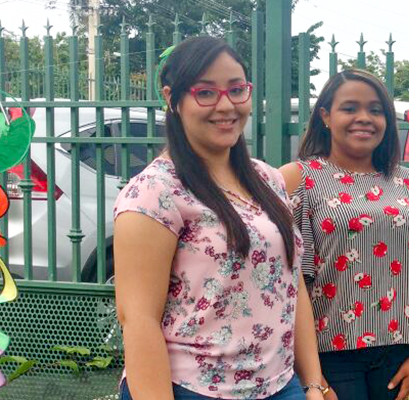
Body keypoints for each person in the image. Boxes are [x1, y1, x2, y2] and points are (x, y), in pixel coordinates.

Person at [114, 36, 324, 400]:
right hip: (192, 388)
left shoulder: (267, 179)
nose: (225, 105)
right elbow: (139, 321)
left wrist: (313, 383)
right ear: (172, 99)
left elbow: (292, 284)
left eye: (236, 89)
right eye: (206, 92)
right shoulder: (154, 192)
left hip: (278, 384)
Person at [279, 69, 409, 400]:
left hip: (397, 355)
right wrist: (314, 379)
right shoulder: (299, 179)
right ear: (325, 116)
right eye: (350, 108)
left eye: (375, 110)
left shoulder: (407, 182)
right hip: (329, 360)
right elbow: (285, 284)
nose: (364, 118)